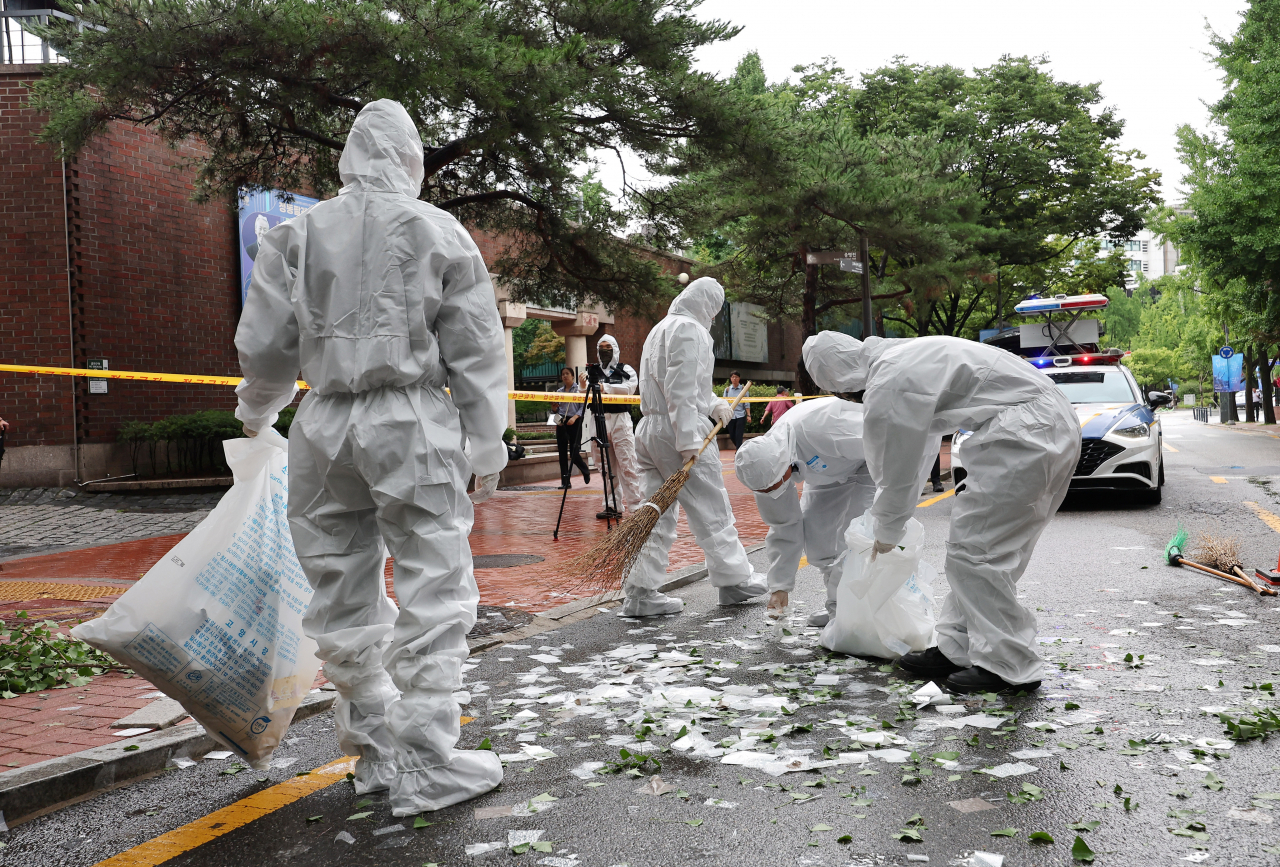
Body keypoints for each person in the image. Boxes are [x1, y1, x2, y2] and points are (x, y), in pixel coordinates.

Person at [235, 99, 508, 816]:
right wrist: (488, 435)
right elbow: (476, 346)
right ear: (410, 158)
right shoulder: (437, 229)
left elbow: (265, 346)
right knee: (434, 583)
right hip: (409, 418)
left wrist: (256, 414)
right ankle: (426, 759)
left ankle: (377, 752)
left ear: (351, 156)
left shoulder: (297, 232)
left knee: (340, 589)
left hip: (321, 424)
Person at [802, 331, 1079, 694]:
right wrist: (892, 518)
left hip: (1025, 434)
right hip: (1043, 425)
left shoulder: (889, 379)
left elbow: (895, 466)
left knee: (977, 555)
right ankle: (958, 647)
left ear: (840, 384)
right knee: (979, 551)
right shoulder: (904, 354)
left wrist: (886, 528)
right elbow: (919, 452)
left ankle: (1010, 665)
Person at [625, 277, 768, 617]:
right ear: (707, 306)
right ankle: (734, 581)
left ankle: (639, 592)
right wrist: (689, 440)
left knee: (652, 514)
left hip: (649, 430)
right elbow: (680, 389)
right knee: (710, 507)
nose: (714, 318)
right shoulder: (691, 331)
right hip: (677, 433)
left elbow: (687, 389)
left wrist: (715, 404)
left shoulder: (660, 329)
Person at [734, 397, 874, 627]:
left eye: (774, 486)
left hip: (872, 462)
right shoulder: (764, 466)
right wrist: (780, 587)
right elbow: (784, 524)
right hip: (827, 472)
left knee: (858, 536)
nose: (773, 493)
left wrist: (896, 499)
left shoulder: (825, 429)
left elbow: (889, 441)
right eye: (765, 491)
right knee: (819, 542)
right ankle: (837, 609)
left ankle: (860, 612)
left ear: (786, 465)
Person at [586, 334, 641, 519]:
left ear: (615, 349)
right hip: (598, 418)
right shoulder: (592, 371)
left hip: (620, 419)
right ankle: (612, 505)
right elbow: (582, 391)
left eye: (608, 347)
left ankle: (636, 505)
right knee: (605, 466)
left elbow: (630, 388)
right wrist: (582, 383)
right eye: (601, 347)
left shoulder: (626, 370)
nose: (604, 350)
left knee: (627, 463)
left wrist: (606, 388)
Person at [553, 367, 591, 489]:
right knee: (562, 453)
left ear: (572, 376)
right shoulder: (559, 391)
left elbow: (582, 407)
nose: (565, 376)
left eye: (567, 374)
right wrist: (554, 407)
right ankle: (565, 482)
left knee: (574, 452)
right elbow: (556, 409)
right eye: (563, 374)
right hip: (562, 422)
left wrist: (574, 418)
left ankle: (585, 470)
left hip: (575, 421)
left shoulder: (579, 390)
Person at [723, 371, 751, 448]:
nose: (734, 378)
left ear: (739, 378)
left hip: (740, 415)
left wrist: (749, 415)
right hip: (730, 415)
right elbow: (724, 403)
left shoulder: (743, 389)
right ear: (730, 379)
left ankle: (738, 451)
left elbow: (747, 403)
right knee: (732, 435)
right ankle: (741, 448)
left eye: (736, 377)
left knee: (739, 435)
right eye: (733, 377)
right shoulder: (727, 390)